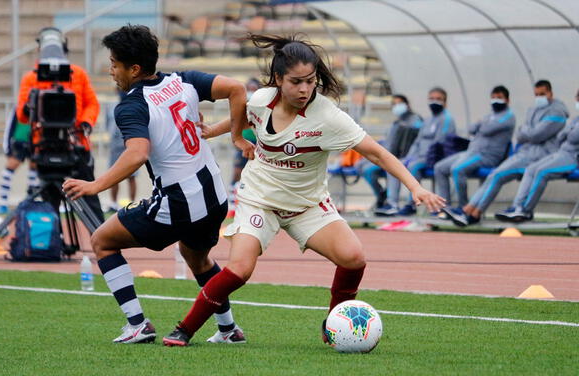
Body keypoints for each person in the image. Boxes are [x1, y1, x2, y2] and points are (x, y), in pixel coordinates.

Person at [161, 34, 445, 347]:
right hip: (259, 200)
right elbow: (242, 118)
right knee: (240, 269)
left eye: (310, 81)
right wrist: (213, 132)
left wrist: (415, 186)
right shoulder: (260, 101)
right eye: (296, 82)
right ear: (279, 79)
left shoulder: (328, 117)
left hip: (307, 206)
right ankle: (184, 329)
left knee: (354, 258)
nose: (305, 89)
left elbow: (376, 152)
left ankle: (335, 324)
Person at [62, 25, 247, 344]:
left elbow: (137, 154)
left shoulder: (131, 105)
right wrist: (235, 136)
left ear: (133, 69)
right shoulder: (183, 79)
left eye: (114, 63)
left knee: (102, 240)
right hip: (214, 195)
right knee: (197, 257)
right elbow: (238, 89)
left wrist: (95, 186)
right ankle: (229, 329)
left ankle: (137, 324)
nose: (111, 70)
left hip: (177, 203)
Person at [443, 80, 568, 226]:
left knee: (497, 175)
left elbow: (535, 135)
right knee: (494, 175)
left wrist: (527, 133)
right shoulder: (533, 110)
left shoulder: (557, 112)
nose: (539, 97)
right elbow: (522, 134)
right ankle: (469, 210)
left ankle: (475, 212)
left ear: (550, 93)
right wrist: (527, 133)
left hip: (541, 155)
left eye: (542, 94)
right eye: (536, 94)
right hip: (526, 152)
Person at [16, 27, 103, 222]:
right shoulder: (31, 78)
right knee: (50, 202)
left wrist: (86, 123)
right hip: (44, 145)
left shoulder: (78, 74)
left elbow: (92, 104)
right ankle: (52, 244)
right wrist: (31, 105)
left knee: (89, 197)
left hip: (76, 144)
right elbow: (22, 115)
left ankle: (104, 243)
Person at [495, 89, 579, 222]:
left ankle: (525, 211)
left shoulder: (566, 118)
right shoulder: (576, 119)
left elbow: (573, 136)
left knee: (541, 172)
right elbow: (561, 136)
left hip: (573, 158)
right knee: (531, 169)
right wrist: (569, 132)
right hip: (562, 152)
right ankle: (516, 207)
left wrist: (569, 132)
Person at [375, 87, 456, 216]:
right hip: (419, 157)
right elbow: (417, 142)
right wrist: (409, 156)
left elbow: (439, 143)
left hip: (434, 158)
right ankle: (392, 204)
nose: (434, 101)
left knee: (414, 166)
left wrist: (417, 158)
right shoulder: (428, 120)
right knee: (394, 164)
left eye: (438, 99)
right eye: (431, 99)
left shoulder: (447, 119)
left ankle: (410, 205)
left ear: (445, 102)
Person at [434, 86, 515, 209]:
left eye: (499, 98)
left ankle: (463, 207)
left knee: (457, 169)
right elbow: (471, 129)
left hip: (487, 156)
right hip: (471, 152)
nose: (495, 100)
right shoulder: (489, 116)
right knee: (439, 168)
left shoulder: (509, 116)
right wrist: (480, 124)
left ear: (507, 100)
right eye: (493, 98)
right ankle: (444, 207)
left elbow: (486, 129)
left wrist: (480, 124)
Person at [356, 94, 423, 209]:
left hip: (402, 157)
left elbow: (414, 142)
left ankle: (393, 204)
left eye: (399, 103)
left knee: (391, 168)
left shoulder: (416, 120)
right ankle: (381, 196)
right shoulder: (396, 123)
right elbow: (388, 143)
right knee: (364, 168)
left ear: (407, 105)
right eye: (394, 104)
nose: (397, 106)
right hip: (387, 155)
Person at [0, 107, 41, 215]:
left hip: (35, 142)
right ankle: (3, 203)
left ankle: (30, 202)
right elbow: (9, 127)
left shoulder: (41, 106)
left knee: (34, 173)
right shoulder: (18, 108)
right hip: (20, 143)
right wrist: (7, 148)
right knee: (8, 170)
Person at [227, 78, 260, 218]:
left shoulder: (261, 106)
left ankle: (254, 205)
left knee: (256, 174)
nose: (251, 90)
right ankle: (232, 203)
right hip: (242, 142)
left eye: (254, 88)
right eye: (249, 88)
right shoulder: (242, 105)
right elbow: (233, 122)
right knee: (237, 172)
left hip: (258, 143)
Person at [104, 90, 138, 213]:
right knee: (114, 174)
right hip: (115, 145)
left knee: (132, 176)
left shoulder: (134, 105)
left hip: (130, 144)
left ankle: (132, 203)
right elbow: (108, 124)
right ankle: (113, 203)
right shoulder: (112, 106)